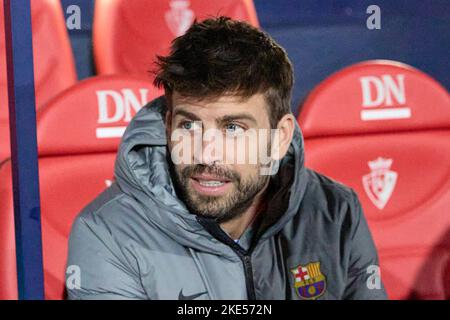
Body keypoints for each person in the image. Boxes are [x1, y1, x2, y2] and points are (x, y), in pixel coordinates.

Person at [66, 16, 387, 300]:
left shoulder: (336, 211)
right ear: (167, 127)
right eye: (188, 125)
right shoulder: (106, 233)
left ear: (280, 138)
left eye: (233, 128)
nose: (206, 154)